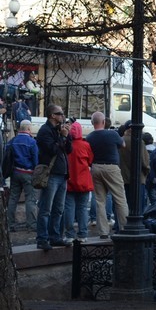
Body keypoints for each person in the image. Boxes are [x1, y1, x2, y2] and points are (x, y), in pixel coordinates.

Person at [86, 111, 129, 238]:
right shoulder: (112, 134)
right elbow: (123, 145)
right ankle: (124, 228)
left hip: (96, 167)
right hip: (111, 167)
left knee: (100, 201)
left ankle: (103, 232)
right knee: (120, 199)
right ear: (104, 122)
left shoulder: (90, 137)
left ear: (92, 123)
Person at [35, 104, 73, 250]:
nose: (63, 116)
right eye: (60, 113)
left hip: (62, 174)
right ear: (52, 115)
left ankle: (55, 237)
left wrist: (67, 135)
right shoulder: (45, 131)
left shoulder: (59, 130)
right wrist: (62, 137)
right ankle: (42, 239)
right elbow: (52, 150)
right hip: (50, 175)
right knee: (46, 209)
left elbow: (68, 150)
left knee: (59, 209)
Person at [5, 119, 39, 231]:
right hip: (28, 173)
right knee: (30, 199)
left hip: (15, 173)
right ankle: (31, 225)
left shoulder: (12, 141)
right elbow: (35, 160)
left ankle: (10, 225)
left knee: (13, 198)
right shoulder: (32, 142)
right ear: (28, 129)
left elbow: (7, 156)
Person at [64, 121, 94, 243]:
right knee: (82, 208)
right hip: (83, 181)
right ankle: (82, 234)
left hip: (69, 181)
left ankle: (70, 234)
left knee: (69, 208)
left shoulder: (66, 144)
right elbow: (90, 160)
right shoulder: (85, 145)